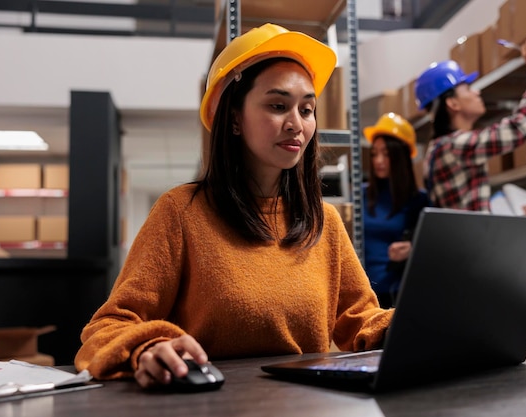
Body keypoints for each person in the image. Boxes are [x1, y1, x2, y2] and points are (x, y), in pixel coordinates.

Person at [74, 23, 393, 389]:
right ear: (235, 119)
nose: (297, 124)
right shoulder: (181, 212)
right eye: (278, 105)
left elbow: (361, 319)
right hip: (211, 403)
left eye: (307, 109)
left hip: (309, 404)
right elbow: (106, 327)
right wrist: (146, 347)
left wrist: (409, 322)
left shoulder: (324, 221)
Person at [415, 37, 526, 212]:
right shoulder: (454, 146)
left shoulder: (441, 148)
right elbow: (521, 126)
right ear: (452, 103)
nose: (477, 92)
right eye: (468, 89)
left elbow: (468, 206)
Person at [362, 112, 429, 308]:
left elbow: (436, 250)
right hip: (364, 295)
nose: (378, 161)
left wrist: (412, 249)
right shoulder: (360, 196)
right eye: (374, 154)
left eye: (386, 154)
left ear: (400, 157)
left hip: (400, 294)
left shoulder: (419, 200)